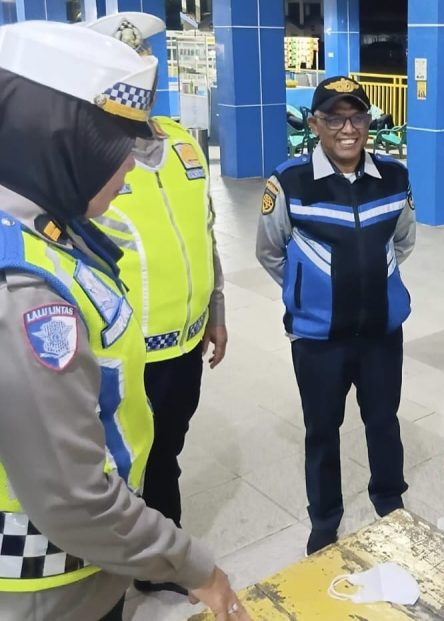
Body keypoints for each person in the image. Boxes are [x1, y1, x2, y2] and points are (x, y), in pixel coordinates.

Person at [0, 18, 250, 621]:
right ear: (62, 150)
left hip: (90, 564)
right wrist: (196, 567)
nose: (130, 170)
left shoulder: (46, 228)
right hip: (44, 583)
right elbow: (73, 496)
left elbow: (204, 232)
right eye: (115, 154)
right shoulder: (26, 292)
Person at [84, 13, 228, 595]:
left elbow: (208, 231)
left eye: (143, 63)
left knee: (166, 451)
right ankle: (107, 574)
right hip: (122, 358)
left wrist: (217, 309)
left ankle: (159, 563)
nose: (137, 79)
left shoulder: (182, 139)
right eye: (122, 68)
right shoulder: (88, 153)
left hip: (186, 344)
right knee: (117, 469)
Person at [256, 76, 416, 555]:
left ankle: (391, 504)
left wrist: (371, 281)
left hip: (382, 334)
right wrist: (311, 289)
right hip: (318, 340)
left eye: (357, 117)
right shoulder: (288, 182)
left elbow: (404, 240)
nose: (348, 128)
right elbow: (270, 252)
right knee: (322, 431)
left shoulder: (394, 176)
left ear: (368, 122)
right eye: (334, 118)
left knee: (384, 422)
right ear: (315, 124)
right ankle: (325, 519)